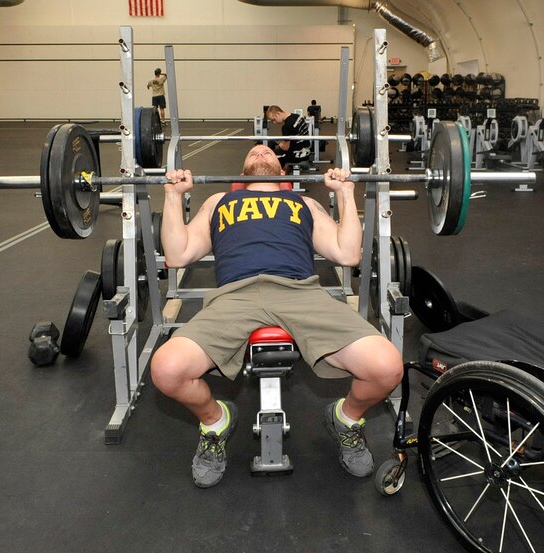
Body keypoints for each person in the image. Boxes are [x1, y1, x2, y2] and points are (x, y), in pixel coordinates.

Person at [150, 145, 404, 488]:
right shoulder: (219, 202)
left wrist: (346, 193)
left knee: (387, 366)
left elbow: (347, 253)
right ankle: (215, 422)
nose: (258, 151)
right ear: (241, 174)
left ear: (282, 173)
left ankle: (346, 420)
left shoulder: (304, 204)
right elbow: (177, 255)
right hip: (234, 297)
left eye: (267, 152)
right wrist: (172, 196)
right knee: (166, 369)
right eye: (252, 151)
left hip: (300, 292)